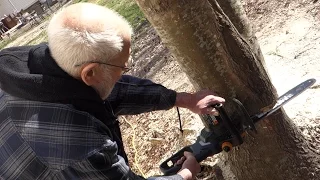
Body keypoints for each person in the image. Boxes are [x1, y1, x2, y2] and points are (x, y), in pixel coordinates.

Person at [0, 2, 225, 180]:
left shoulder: (37, 65)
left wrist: (185, 99)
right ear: (89, 73)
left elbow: (112, 92)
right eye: (122, 67)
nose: (125, 71)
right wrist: (185, 174)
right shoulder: (82, 145)